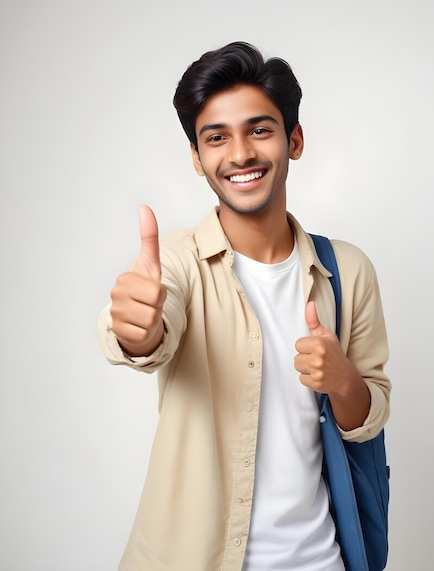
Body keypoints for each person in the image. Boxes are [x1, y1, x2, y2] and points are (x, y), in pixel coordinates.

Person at [98, 41, 390, 571]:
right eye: (216, 138)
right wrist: (134, 330)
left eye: (259, 129)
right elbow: (149, 329)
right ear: (197, 158)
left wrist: (344, 380)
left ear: (294, 139)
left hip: (319, 559)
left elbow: (367, 417)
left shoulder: (347, 270)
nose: (240, 154)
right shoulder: (177, 263)